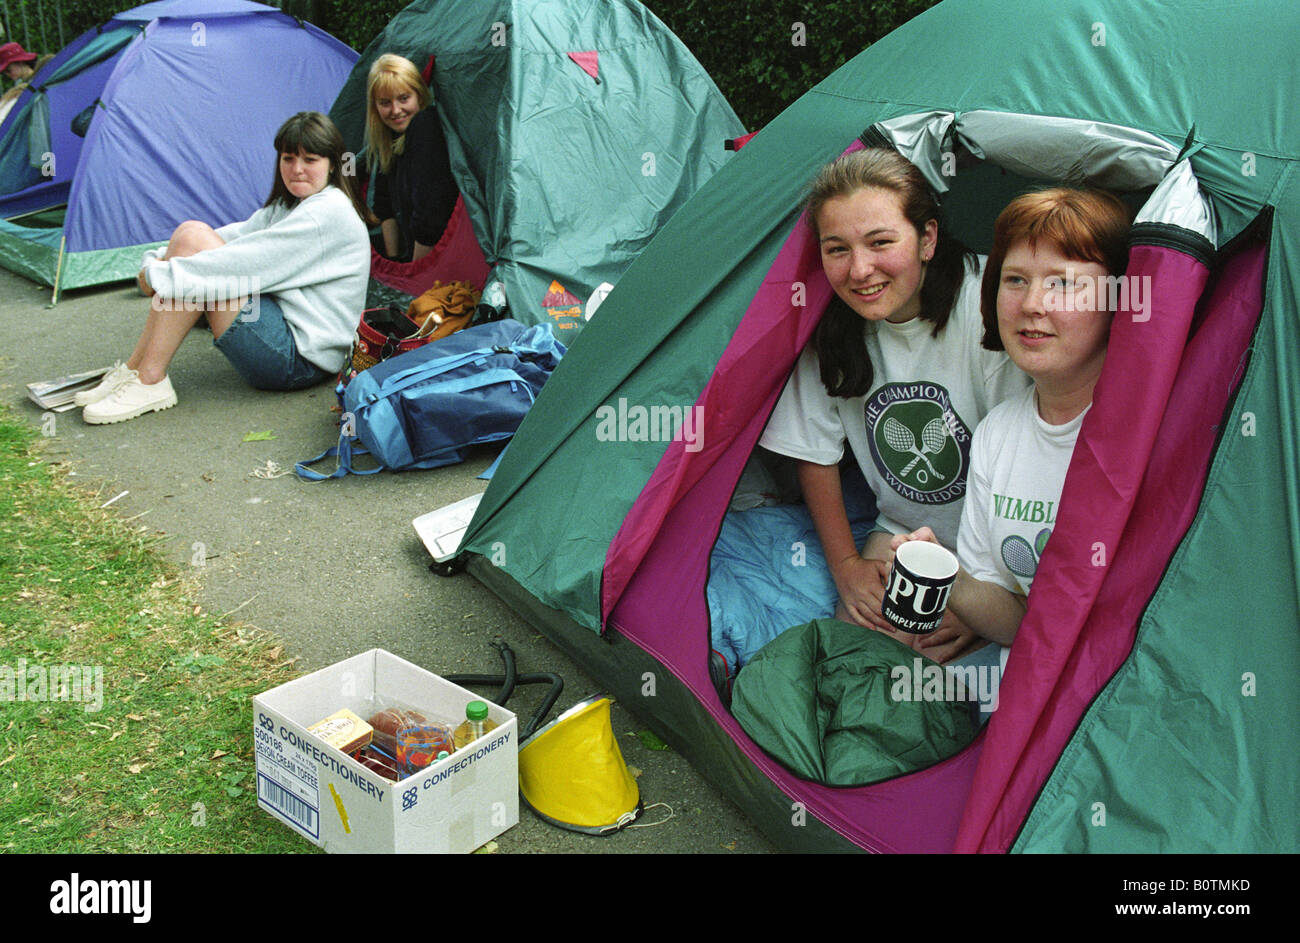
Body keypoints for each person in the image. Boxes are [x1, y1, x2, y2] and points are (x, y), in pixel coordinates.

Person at [758, 148, 1031, 663]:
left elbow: (1033, 462)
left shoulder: (988, 307)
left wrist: (992, 603)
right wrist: (847, 568)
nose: (860, 270)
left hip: (994, 550)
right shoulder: (830, 323)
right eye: (837, 249)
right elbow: (813, 451)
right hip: (902, 534)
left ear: (927, 238)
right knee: (858, 663)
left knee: (936, 679)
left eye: (881, 242)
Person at [888, 187, 1133, 659]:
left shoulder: (1146, 429)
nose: (1032, 304)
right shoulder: (998, 432)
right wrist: (953, 581)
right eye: (1015, 279)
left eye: (1063, 282)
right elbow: (1019, 622)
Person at [77, 111, 372, 424]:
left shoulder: (327, 213)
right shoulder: (290, 205)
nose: (297, 170)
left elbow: (239, 265)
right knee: (191, 235)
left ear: (332, 164)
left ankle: (151, 379)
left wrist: (157, 275)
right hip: (283, 331)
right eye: (288, 158)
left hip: (300, 362)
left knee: (206, 274)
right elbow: (233, 238)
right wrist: (159, 259)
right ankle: (135, 371)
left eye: (309, 159)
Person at [364, 53, 458, 263]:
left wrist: (414, 273)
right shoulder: (388, 139)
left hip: (441, 259)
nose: (396, 110)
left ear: (420, 96)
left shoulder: (426, 126)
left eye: (404, 98)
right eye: (385, 102)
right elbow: (384, 205)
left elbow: (430, 215)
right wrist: (395, 260)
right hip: (414, 254)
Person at [0, 42, 53, 126]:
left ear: (20, 62)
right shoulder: (21, 85)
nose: (7, 74)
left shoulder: (42, 78)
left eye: (8, 70)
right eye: (4, 73)